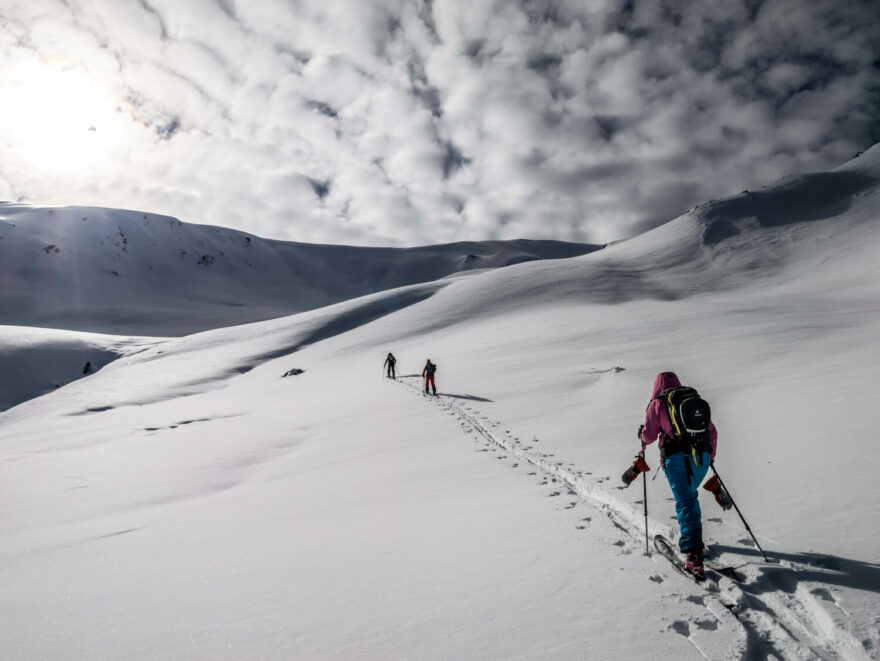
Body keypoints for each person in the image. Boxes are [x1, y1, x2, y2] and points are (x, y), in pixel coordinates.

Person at [639, 371, 717, 579]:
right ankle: (694, 539)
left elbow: (648, 435)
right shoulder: (692, 399)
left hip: (676, 461)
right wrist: (710, 457)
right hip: (701, 458)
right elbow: (712, 431)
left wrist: (641, 436)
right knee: (689, 498)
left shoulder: (657, 404)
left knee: (685, 501)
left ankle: (693, 554)